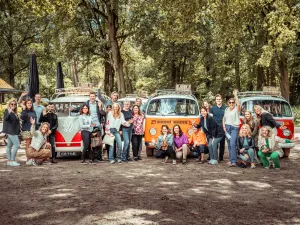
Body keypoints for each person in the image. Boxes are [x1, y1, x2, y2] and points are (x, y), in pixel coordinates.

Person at [71, 92, 106, 161]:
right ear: (89, 97)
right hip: (89, 125)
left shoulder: (98, 103)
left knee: (98, 142)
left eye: (93, 96)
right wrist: (73, 110)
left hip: (97, 125)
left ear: (95, 97)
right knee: (90, 143)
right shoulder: (86, 103)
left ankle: (98, 157)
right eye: (91, 96)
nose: (92, 97)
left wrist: (100, 107)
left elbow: (103, 113)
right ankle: (91, 157)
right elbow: (80, 108)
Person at [223, 90, 240, 167]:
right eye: (230, 102)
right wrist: (224, 126)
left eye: (233, 102)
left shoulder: (236, 109)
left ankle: (234, 161)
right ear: (228, 103)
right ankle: (231, 160)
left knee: (233, 144)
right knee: (229, 144)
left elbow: (238, 104)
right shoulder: (226, 109)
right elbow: (224, 118)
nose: (231, 103)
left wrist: (235, 95)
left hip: (234, 128)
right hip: (227, 127)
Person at [3, 99, 21, 166]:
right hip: (11, 131)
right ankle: (12, 160)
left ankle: (9, 161)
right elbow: (5, 118)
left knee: (9, 146)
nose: (13, 105)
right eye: (12, 104)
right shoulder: (7, 111)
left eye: (15, 104)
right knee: (17, 145)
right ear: (9, 104)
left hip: (14, 131)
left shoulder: (15, 112)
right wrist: (9, 112)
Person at [210, 94, 227, 161]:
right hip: (215, 128)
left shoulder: (225, 108)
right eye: (217, 99)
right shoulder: (212, 108)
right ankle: (215, 156)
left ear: (221, 100)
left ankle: (221, 157)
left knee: (222, 143)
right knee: (215, 143)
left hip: (222, 127)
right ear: (215, 100)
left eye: (219, 99)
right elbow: (211, 118)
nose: (218, 100)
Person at [20, 99, 37, 165]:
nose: (29, 104)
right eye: (28, 103)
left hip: (33, 130)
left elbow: (35, 121)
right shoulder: (24, 111)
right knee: (28, 145)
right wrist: (24, 109)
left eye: (30, 103)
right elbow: (22, 117)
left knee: (32, 145)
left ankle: (32, 158)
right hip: (26, 130)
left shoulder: (33, 111)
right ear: (25, 104)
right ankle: (28, 159)